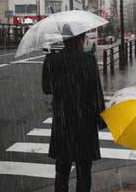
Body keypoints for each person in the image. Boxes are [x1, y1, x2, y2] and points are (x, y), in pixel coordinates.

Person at [42, 33, 106, 192]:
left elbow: (46, 88)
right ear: (80, 40)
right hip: (85, 122)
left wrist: (49, 61)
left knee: (62, 172)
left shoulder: (53, 60)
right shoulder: (89, 60)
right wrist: (101, 119)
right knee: (84, 172)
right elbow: (96, 92)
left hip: (63, 122)